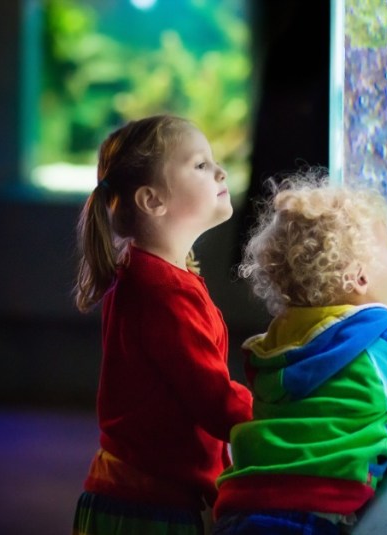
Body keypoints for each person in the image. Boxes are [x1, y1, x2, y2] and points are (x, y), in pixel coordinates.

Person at [213, 173, 387, 534]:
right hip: (318, 510)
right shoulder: (382, 335)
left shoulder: (276, 339)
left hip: (244, 503)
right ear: (359, 278)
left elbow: (325, 417)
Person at [72, 115, 254, 534]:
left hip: (134, 498)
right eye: (200, 165)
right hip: (147, 510)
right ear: (153, 200)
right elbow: (213, 400)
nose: (220, 171)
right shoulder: (163, 292)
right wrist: (280, 417)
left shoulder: (147, 275)